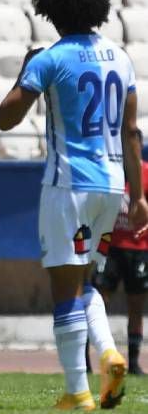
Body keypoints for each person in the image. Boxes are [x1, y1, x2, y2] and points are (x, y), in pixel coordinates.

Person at [0, 0, 148, 411]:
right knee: (86, 282)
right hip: (111, 186)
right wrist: (138, 196)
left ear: (51, 9)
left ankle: (77, 390)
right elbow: (131, 132)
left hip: (68, 185)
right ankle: (109, 353)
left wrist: (25, 70)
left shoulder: (51, 58)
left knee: (64, 286)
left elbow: (6, 118)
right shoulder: (121, 58)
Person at [92, 129, 148, 375]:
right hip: (110, 247)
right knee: (96, 301)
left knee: (135, 305)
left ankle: (134, 362)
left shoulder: (146, 172)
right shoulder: (109, 171)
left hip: (139, 247)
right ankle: (87, 360)